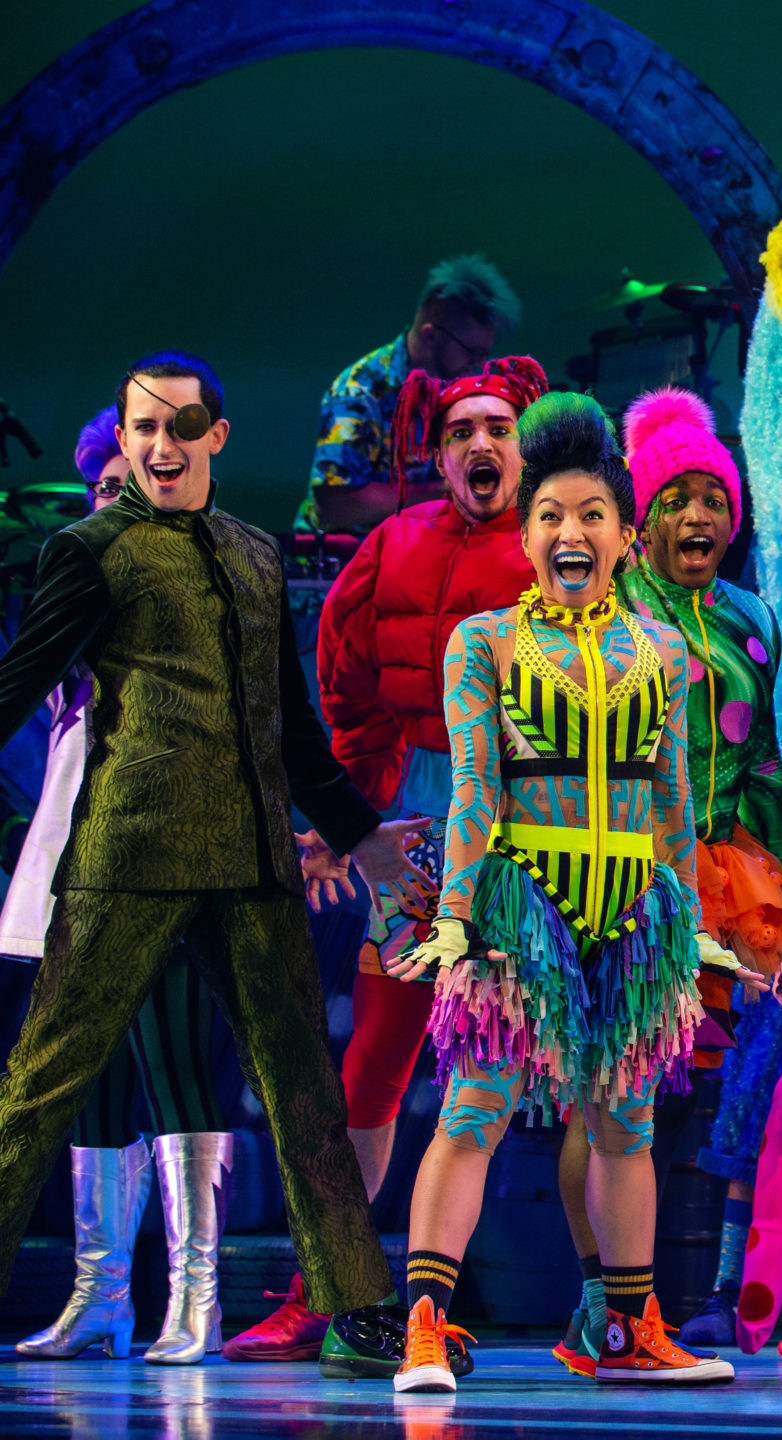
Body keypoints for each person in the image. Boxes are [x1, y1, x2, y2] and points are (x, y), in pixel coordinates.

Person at [0, 352, 429, 1377]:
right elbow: (17, 682)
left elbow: (292, 727)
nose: (161, 444)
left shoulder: (252, 553)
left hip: (249, 860)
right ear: (125, 435)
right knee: (46, 1077)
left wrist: (358, 833)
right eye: (143, 427)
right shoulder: (91, 550)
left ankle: (357, 1305)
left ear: (215, 437)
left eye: (180, 426)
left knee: (300, 1084)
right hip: (131, 851)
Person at [379, 390, 749, 1392]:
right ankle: (425, 1328)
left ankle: (622, 1331)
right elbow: (473, 790)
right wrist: (457, 917)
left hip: (632, 916)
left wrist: (690, 929)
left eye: (591, 515)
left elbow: (673, 798)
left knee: (625, 1124)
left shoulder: (664, 652)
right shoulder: (485, 642)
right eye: (549, 516)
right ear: (527, 537)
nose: (569, 531)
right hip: (521, 909)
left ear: (626, 538)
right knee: (474, 1112)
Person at [251, 358, 548, 1368]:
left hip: (530, 834)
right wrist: (349, 816)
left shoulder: (559, 543)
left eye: (498, 428)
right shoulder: (394, 543)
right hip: (419, 825)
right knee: (377, 1059)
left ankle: (610, 1310)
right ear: (437, 450)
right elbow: (346, 683)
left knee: (553, 1082)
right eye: (462, 430)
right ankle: (323, 1291)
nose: (481, 443)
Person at [8, 408, 241, 1366]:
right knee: (91, 1083)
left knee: (177, 1069)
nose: (113, 502)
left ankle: (197, 1300)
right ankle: (99, 1298)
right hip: (76, 862)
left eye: (130, 486)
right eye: (101, 489)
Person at [596, 386, 782, 1354]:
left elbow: (762, 758)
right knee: (632, 1086)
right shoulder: (610, 608)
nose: (698, 515)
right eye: (675, 498)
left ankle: (714, 1292)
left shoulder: (752, 615)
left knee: (736, 1084)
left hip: (733, 872)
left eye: (714, 499)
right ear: (642, 519)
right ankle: (613, 1298)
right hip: (633, 874)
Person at [301, 255, 520, 537]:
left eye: (485, 352)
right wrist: (447, 488)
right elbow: (333, 506)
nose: (480, 362)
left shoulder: (455, 387)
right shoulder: (359, 392)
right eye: (471, 351)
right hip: (342, 554)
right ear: (431, 336)